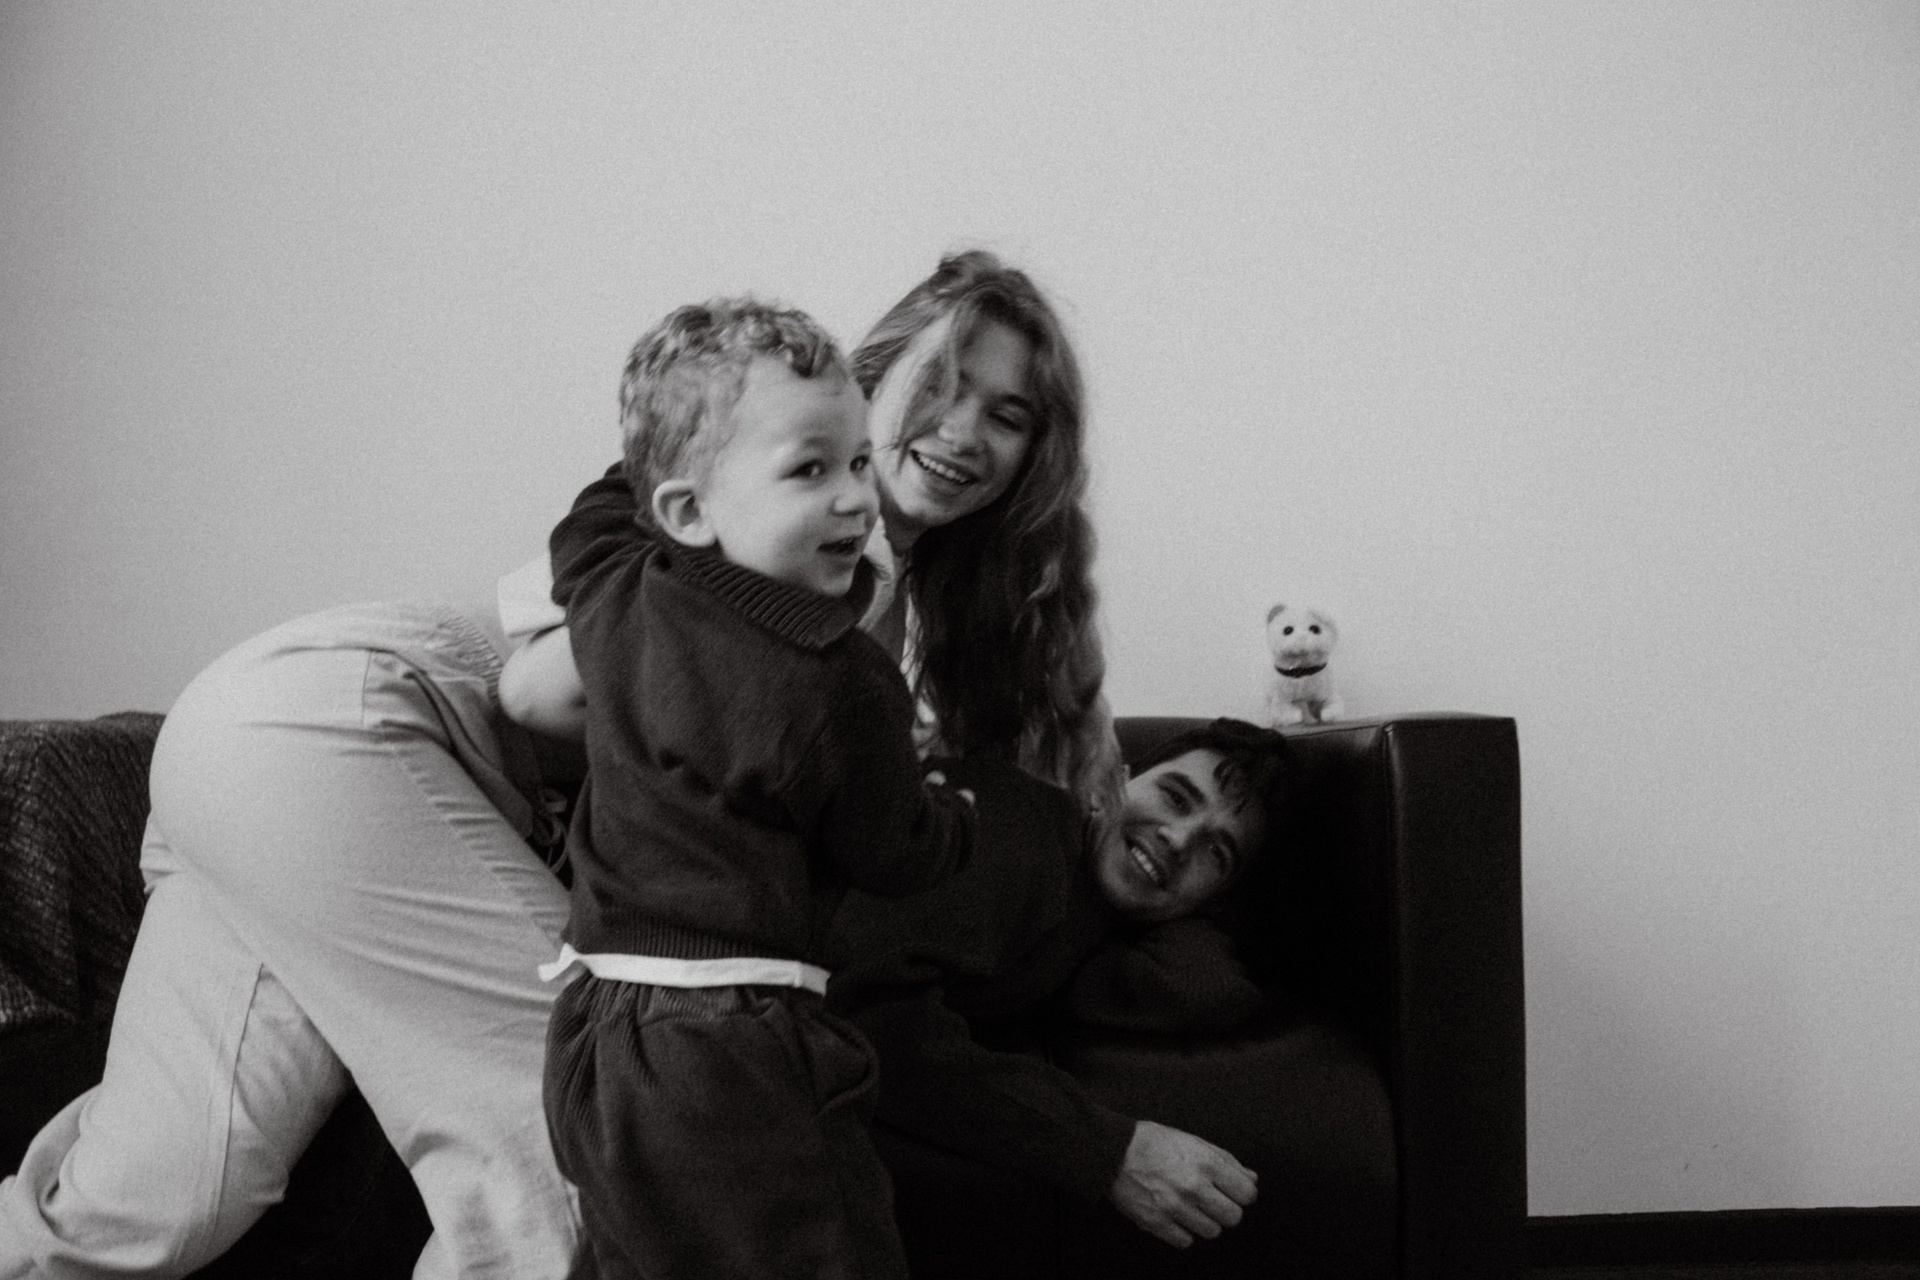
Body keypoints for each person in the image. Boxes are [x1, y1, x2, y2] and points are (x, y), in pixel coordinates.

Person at [0, 249, 1128, 1280]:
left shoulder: (875, 603)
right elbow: (536, 689)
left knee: (150, 1202)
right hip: (362, 728)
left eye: (1010, 415)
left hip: (258, 757)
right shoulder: (735, 500)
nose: (964, 431)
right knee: (577, 1157)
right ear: (871, 373)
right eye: (942, 385)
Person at [521, 298, 972, 1280]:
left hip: (593, 1036)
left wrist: (674, 432)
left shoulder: (616, 592)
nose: (857, 500)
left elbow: (588, 522)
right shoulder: (841, 676)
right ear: (688, 509)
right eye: (811, 469)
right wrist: (953, 815)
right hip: (737, 1045)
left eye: (860, 461)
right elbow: (894, 849)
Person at [828, 717, 1298, 1253]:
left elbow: (1205, 989)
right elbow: (861, 1014)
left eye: (1217, 853)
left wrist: (1188, 908)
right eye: (1174, 796)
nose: (1177, 838)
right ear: (1116, 778)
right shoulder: (1024, 823)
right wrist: (1112, 1152)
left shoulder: (1088, 913)